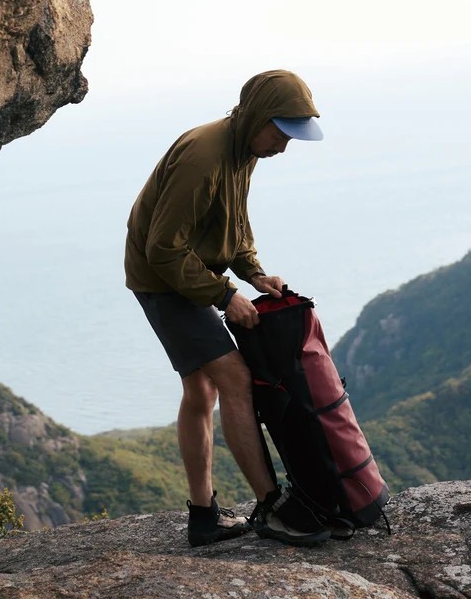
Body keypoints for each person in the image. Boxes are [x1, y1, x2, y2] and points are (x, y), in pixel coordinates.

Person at [124, 69, 330, 547]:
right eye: (279, 134)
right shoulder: (204, 155)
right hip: (164, 280)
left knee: (202, 391)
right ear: (258, 117)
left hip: (185, 271)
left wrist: (253, 274)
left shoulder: (243, 150)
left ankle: (203, 516)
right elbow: (164, 250)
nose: (283, 146)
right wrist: (223, 295)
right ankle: (272, 507)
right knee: (234, 378)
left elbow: (232, 223)